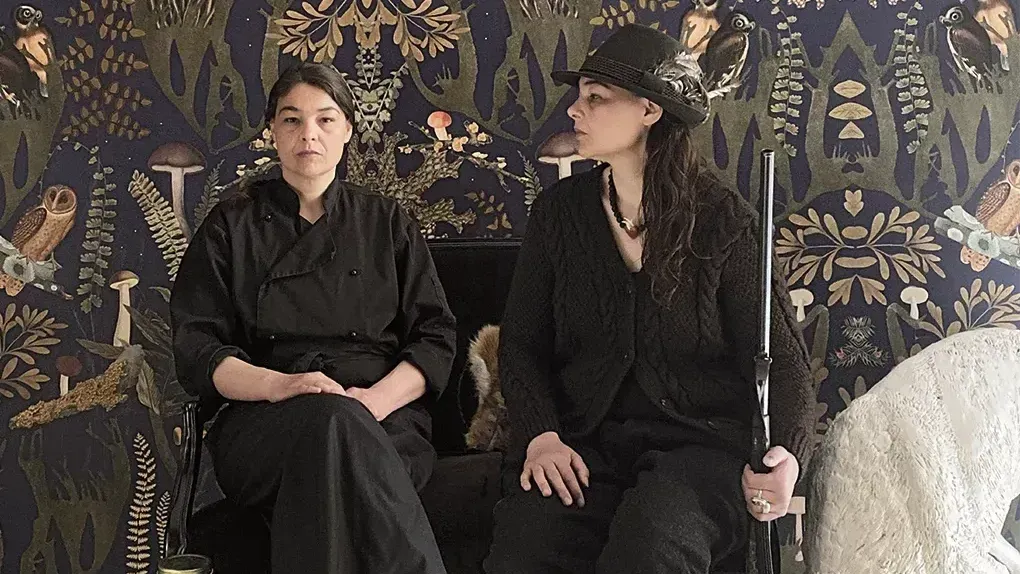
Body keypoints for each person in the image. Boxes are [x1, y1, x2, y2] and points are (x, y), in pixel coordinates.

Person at [484, 25, 818, 574]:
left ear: (649, 110)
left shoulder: (725, 223)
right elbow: (521, 344)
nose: (575, 110)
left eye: (596, 98)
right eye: (580, 96)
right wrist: (541, 437)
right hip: (586, 444)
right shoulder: (558, 216)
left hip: (701, 449)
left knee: (652, 543)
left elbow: (783, 361)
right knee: (527, 542)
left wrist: (788, 455)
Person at [170, 62, 455, 574]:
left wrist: (372, 402)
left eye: (325, 119)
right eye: (292, 119)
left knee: (335, 431)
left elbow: (435, 338)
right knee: (329, 423)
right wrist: (280, 386)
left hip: (383, 416)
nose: (309, 134)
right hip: (265, 421)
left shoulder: (386, 222)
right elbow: (198, 348)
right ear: (272, 132)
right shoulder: (231, 225)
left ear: (347, 129)